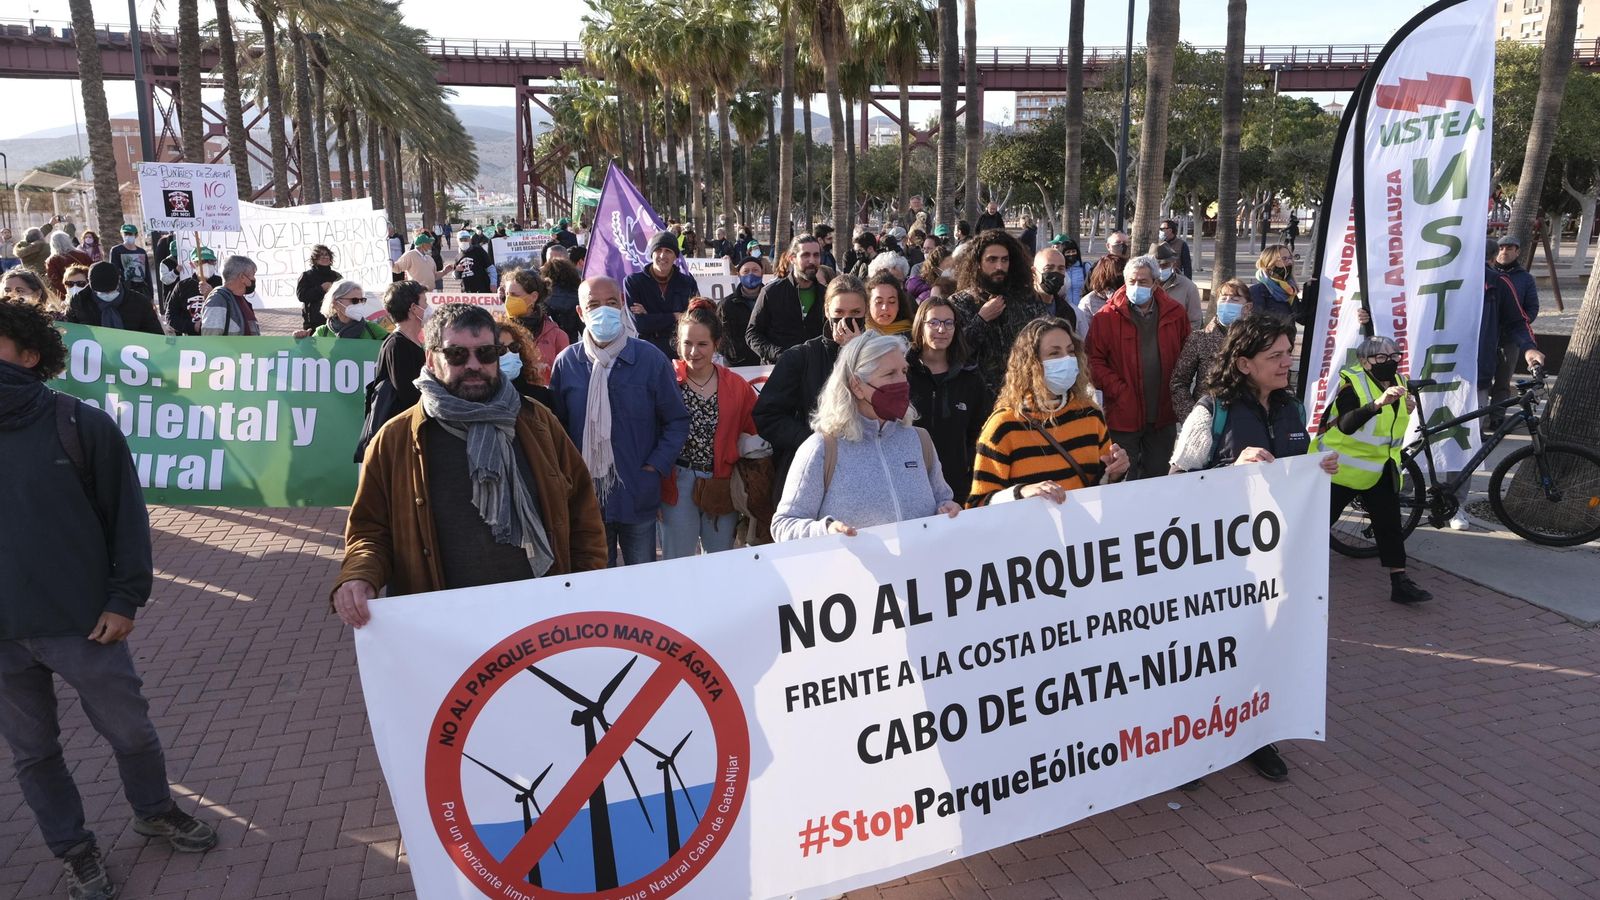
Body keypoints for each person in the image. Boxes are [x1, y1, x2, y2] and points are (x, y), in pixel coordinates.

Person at [0, 298, 218, 900]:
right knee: (34, 755)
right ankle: (74, 850)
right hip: (4, 640)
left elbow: (127, 522)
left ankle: (153, 809)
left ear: (30, 355)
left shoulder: (79, 425)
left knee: (132, 734)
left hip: (84, 626)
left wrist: (125, 600)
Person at [334, 304, 608, 626]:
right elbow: (369, 530)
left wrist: (587, 584)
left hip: (540, 620)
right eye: (457, 355)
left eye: (486, 353)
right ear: (431, 360)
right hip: (448, 630)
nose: (474, 365)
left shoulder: (537, 422)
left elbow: (582, 513)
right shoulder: (394, 440)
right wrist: (359, 575)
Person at [1166, 313, 1339, 783]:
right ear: (1243, 363)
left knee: (1261, 647)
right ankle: (1190, 743)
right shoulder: (1213, 409)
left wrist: (1318, 471)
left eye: (1289, 352)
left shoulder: (1293, 409)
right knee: (1209, 655)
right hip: (1219, 564)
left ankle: (1255, 736)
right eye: (1275, 356)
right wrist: (1231, 468)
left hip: (1274, 559)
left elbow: (1294, 475)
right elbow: (1174, 485)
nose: (1287, 363)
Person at [549, 276, 690, 567]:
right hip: (586, 499)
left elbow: (676, 421)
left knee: (642, 583)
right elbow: (556, 429)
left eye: (611, 303)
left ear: (622, 304)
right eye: (594, 305)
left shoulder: (650, 359)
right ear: (580, 312)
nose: (604, 311)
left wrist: (654, 466)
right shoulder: (567, 363)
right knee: (598, 587)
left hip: (637, 494)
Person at [771, 332, 960, 541]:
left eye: (904, 371)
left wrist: (948, 509)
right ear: (857, 386)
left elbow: (943, 499)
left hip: (918, 570)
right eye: (890, 374)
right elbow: (784, 525)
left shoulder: (919, 440)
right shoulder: (822, 448)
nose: (902, 381)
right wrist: (826, 530)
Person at [1312, 334, 1433, 605]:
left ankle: (1400, 582)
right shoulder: (1352, 384)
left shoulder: (1399, 382)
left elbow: (1391, 424)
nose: (1389, 362)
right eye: (1381, 357)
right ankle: (1286, 572)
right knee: (1317, 525)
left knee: (1390, 525)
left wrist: (1405, 404)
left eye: (1394, 356)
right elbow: (1345, 424)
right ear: (1365, 362)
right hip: (1340, 468)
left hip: (1379, 467)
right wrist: (1377, 404)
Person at [968, 318, 1130, 506]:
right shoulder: (1003, 425)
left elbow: (1100, 491)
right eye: (1054, 353)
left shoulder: (1090, 414)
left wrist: (1115, 474)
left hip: (1084, 532)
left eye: (1070, 352)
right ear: (1031, 363)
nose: (1067, 360)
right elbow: (978, 504)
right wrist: (1022, 492)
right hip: (1030, 533)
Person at [660, 299, 761, 558]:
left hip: (721, 483)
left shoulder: (737, 386)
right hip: (677, 482)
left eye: (702, 344)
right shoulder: (667, 380)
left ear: (716, 344)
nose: (694, 352)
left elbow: (754, 430)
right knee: (677, 563)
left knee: (720, 563)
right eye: (687, 344)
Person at [754, 274, 870, 493]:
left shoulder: (879, 358)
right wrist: (813, 442)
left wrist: (857, 353)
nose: (846, 320)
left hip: (866, 466)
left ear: (866, 311)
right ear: (827, 311)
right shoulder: (800, 357)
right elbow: (767, 416)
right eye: (839, 313)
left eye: (855, 313)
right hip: (812, 472)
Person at [1085, 254, 1191, 480]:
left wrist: (1177, 390)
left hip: (1162, 413)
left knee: (1158, 476)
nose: (1136, 286)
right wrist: (1120, 390)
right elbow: (1092, 360)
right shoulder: (1106, 316)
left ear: (1155, 284)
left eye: (1143, 282)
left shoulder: (1175, 313)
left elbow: (1186, 355)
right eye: (1132, 281)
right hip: (1123, 414)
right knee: (1124, 478)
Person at [906, 296, 992, 506]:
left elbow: (981, 431)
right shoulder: (903, 373)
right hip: (911, 485)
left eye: (948, 323)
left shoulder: (970, 376)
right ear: (920, 326)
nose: (941, 330)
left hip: (958, 487)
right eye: (934, 322)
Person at [948, 229, 1051, 393]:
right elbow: (953, 352)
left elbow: (1046, 340)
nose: (999, 266)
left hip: (1024, 394)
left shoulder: (1027, 299)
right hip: (977, 398)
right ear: (978, 263)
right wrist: (981, 319)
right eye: (992, 260)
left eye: (1005, 260)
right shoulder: (959, 303)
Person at [355, 281, 430, 461]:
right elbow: (409, 394)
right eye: (424, 302)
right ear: (413, 308)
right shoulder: (397, 345)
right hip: (401, 440)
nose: (428, 307)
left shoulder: (411, 341)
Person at [1171, 278, 1251, 423]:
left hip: (1245, 419)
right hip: (1208, 417)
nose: (1227, 303)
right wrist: (1193, 417)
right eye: (1224, 298)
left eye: (1234, 299)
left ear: (1247, 307)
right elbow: (1179, 383)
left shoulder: (1256, 341)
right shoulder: (1199, 338)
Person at [746, 234, 830, 364]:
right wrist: (780, 355)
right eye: (805, 255)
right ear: (792, 258)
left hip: (816, 371)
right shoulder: (771, 293)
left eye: (816, 255)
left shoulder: (827, 295)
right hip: (779, 371)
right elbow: (752, 334)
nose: (812, 261)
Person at [1487, 234, 1540, 426]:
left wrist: (1518, 323)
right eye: (1501, 248)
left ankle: (1497, 417)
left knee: (1503, 380)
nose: (1504, 251)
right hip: (1486, 337)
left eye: (1509, 248)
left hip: (1510, 339)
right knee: (1482, 380)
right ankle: (1479, 418)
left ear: (1517, 251)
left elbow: (1532, 308)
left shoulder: (1525, 279)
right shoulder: (1486, 274)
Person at [623, 231, 700, 357]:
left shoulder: (687, 282)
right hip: (646, 352)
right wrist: (675, 316)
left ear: (675, 256)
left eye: (668, 251)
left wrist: (650, 316)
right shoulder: (633, 282)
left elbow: (694, 320)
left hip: (679, 353)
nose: (663, 255)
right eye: (658, 250)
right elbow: (640, 325)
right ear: (651, 254)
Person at [502, 266, 569, 385]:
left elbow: (565, 378)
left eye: (514, 295)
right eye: (507, 294)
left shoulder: (557, 335)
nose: (508, 300)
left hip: (542, 400)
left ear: (533, 297)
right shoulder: (498, 331)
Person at [65, 262, 164, 334]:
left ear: (118, 283)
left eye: (111, 291)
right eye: (101, 292)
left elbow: (155, 335)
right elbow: (70, 333)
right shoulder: (79, 302)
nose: (107, 295)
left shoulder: (140, 302)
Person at [493, 315, 556, 410]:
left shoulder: (542, 397)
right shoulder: (477, 398)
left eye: (514, 347)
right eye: (500, 350)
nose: (509, 354)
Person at [294, 281, 385, 339]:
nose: (359, 304)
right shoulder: (322, 333)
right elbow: (310, 359)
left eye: (362, 300)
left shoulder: (372, 329)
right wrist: (302, 342)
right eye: (354, 300)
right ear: (336, 303)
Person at [717, 256, 765, 367]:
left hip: (767, 363)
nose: (751, 274)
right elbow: (719, 336)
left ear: (762, 273)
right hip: (737, 366)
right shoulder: (726, 305)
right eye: (746, 271)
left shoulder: (773, 300)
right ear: (739, 274)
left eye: (755, 270)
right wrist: (733, 355)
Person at [163, 246, 221, 336]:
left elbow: (231, 309)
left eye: (211, 261)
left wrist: (213, 293)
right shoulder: (182, 286)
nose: (207, 265)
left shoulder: (222, 283)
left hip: (217, 337)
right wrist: (192, 326)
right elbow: (170, 315)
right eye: (202, 262)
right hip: (191, 341)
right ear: (192, 264)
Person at [199, 255, 262, 336]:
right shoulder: (217, 300)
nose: (254, 279)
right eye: (253, 275)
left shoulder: (240, 299)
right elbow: (211, 341)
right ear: (242, 277)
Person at [1149, 242, 1204, 331]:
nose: (1160, 269)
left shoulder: (1188, 287)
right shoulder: (1144, 284)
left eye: (1165, 265)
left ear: (1173, 264)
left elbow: (1195, 322)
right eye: (1157, 265)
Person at [1033, 246, 1080, 334]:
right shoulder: (1019, 307)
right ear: (1034, 272)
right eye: (1049, 268)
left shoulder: (1067, 311)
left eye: (1061, 268)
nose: (1055, 273)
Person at [296, 245, 341, 332]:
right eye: (321, 255)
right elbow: (301, 296)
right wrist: (321, 289)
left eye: (326, 254)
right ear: (315, 259)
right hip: (314, 323)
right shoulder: (307, 276)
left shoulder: (336, 276)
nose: (325, 257)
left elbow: (345, 295)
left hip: (335, 320)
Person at [1248, 244, 1299, 320]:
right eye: (1284, 259)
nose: (1290, 262)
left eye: (1290, 258)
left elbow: (1302, 317)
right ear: (1270, 262)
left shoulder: (1289, 289)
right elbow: (1255, 321)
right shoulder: (1257, 291)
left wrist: (1311, 287)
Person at [542, 255, 584, 341]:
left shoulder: (542, 299)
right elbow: (584, 330)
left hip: (549, 347)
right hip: (571, 345)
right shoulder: (578, 297)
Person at [44, 230, 93, 301]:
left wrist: (70, 293)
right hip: (87, 293)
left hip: (68, 297)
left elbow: (56, 282)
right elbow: (92, 271)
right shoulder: (82, 255)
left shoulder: (52, 261)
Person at [866, 270, 913, 337]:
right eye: (879, 302)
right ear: (868, 303)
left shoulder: (912, 336)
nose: (885, 308)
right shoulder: (858, 333)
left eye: (892, 302)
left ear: (899, 304)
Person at [108, 225, 151, 295]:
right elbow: (114, 271)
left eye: (130, 234)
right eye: (125, 234)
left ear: (136, 235)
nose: (128, 236)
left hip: (141, 289)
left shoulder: (141, 252)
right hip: (125, 289)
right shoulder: (116, 250)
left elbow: (147, 274)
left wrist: (151, 294)